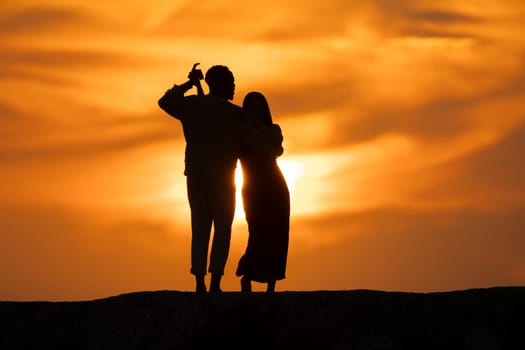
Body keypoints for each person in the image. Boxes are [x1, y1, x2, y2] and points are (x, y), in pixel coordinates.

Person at [157, 64, 243, 293]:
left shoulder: (193, 105)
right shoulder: (235, 113)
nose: (234, 87)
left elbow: (165, 102)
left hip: (197, 175)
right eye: (231, 82)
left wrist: (190, 83)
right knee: (222, 228)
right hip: (223, 177)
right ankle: (215, 281)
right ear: (221, 84)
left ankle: (200, 282)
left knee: (200, 228)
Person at [236, 92, 290, 293]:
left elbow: (276, 150)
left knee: (277, 231)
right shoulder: (241, 131)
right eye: (252, 108)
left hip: (275, 185)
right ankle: (248, 275)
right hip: (253, 186)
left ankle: (271, 283)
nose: (256, 112)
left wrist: (256, 125)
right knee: (257, 230)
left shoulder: (273, 129)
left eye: (259, 108)